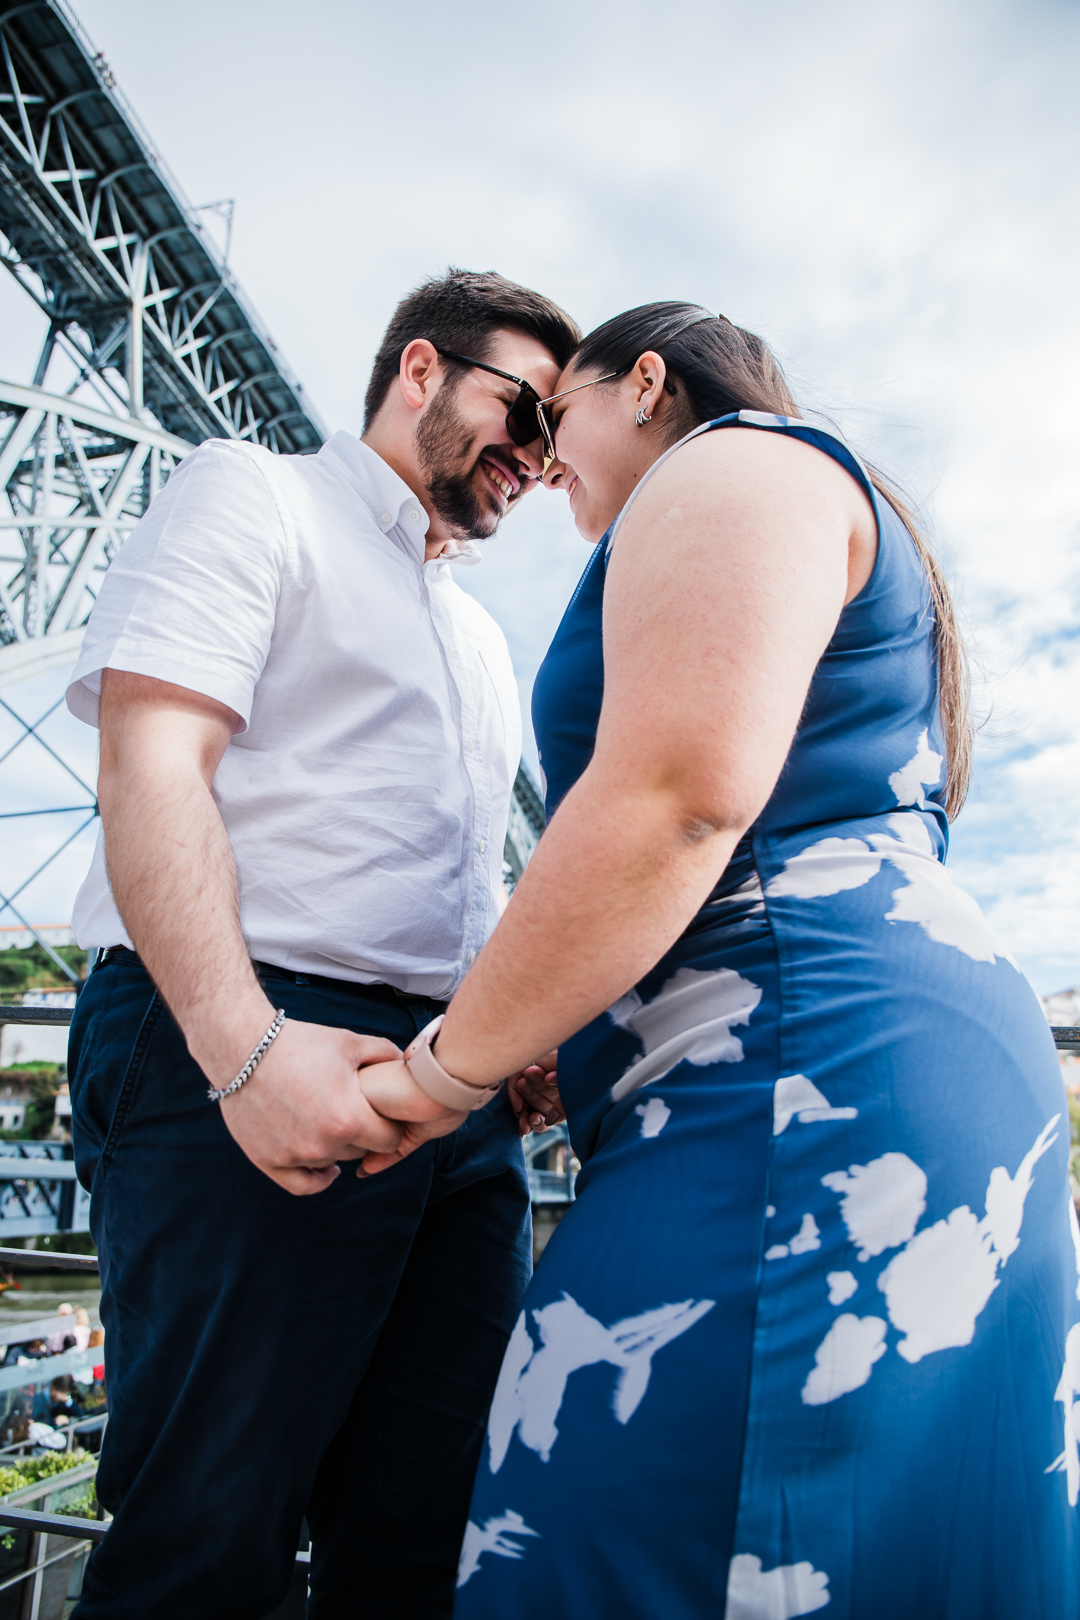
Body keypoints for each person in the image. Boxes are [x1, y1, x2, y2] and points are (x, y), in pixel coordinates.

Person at [355, 303, 1080, 1617]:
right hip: (846, 1064)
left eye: (553, 412)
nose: (540, 448)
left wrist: (441, 1074)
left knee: (615, 1517)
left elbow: (680, 797)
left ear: (645, 385)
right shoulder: (802, 501)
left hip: (802, 1084)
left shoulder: (736, 463)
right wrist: (583, 1033)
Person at [66, 269, 577, 1619]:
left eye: (558, 441)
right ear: (420, 369)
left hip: (447, 1097)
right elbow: (152, 766)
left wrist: (497, 1040)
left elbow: (438, 882)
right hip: (236, 1033)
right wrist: (245, 1049)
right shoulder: (254, 491)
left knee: (425, 1544)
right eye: (523, 410)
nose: (537, 457)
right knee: (206, 1540)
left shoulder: (477, 636)